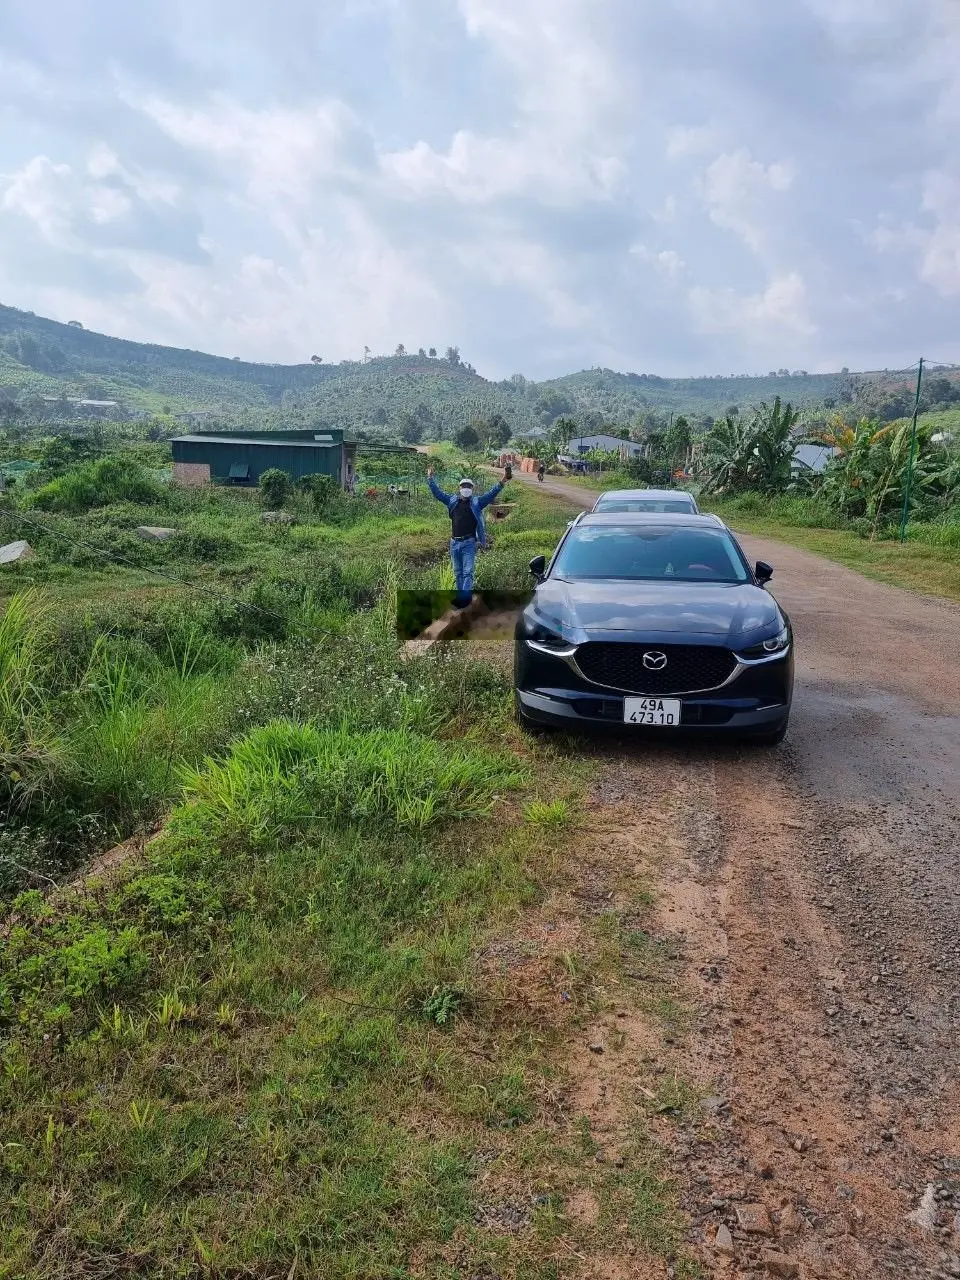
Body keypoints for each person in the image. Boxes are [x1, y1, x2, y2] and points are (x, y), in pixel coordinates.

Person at [427, 463, 512, 608]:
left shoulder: (478, 502)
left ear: (472, 489)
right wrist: (430, 478)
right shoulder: (452, 501)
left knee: (467, 572)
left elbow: (492, 493)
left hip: (469, 543)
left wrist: (503, 479)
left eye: (468, 486)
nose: (465, 488)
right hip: (454, 543)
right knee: (458, 572)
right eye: (463, 486)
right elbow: (438, 494)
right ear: (459, 488)